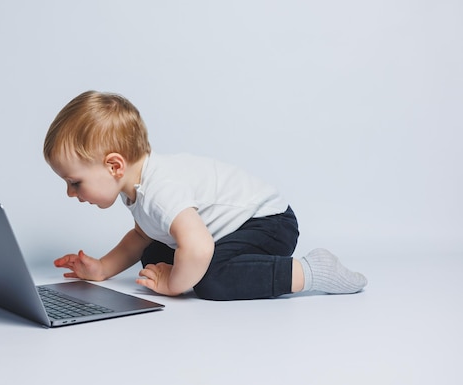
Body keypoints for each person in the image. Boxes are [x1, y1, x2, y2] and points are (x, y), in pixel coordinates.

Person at [43, 90, 367, 300]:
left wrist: (174, 284)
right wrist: (100, 268)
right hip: (232, 226)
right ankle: (242, 267)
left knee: (210, 281)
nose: (71, 193)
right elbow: (139, 237)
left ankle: (310, 270)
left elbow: (198, 248)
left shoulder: (160, 190)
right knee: (153, 254)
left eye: (75, 182)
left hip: (268, 222)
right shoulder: (138, 185)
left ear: (114, 165)